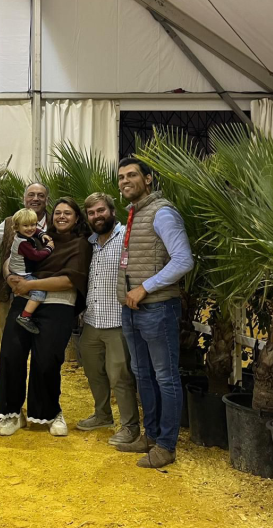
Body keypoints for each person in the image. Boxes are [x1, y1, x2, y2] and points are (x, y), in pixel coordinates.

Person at [114, 157, 193, 468]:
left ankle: (166, 445)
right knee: (143, 374)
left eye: (132, 175)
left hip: (157, 307)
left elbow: (183, 260)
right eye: (121, 177)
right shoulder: (136, 213)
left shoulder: (163, 213)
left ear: (148, 179)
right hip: (134, 309)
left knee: (165, 377)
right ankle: (152, 435)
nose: (125, 181)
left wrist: (144, 287)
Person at [0, 197, 91, 437]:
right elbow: (10, 259)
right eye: (58, 212)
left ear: (77, 217)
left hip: (58, 303)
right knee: (11, 354)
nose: (61, 216)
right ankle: (11, 413)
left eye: (67, 213)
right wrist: (10, 278)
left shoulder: (80, 244)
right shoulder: (39, 237)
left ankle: (50, 411)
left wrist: (31, 284)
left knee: (46, 360)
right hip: (25, 300)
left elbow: (70, 280)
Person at [76, 192, 140, 446]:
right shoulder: (89, 243)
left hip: (118, 322)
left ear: (112, 212)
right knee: (94, 373)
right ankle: (103, 415)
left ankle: (130, 427)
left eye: (101, 211)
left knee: (121, 378)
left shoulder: (127, 237)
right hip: (91, 321)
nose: (96, 216)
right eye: (91, 213)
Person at [0, 183, 51, 337]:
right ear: (24, 199)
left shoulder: (56, 223)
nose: (35, 199)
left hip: (47, 298)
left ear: (47, 201)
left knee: (44, 350)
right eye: (31, 195)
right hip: (11, 294)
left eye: (40, 195)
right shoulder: (10, 222)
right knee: (10, 348)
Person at [8, 208, 54, 334]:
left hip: (18, 270)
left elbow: (35, 231)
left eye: (33, 224)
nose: (30, 228)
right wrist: (49, 248)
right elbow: (36, 256)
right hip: (22, 274)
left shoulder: (24, 234)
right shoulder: (23, 243)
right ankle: (25, 316)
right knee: (39, 293)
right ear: (17, 227)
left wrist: (41, 234)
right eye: (26, 225)